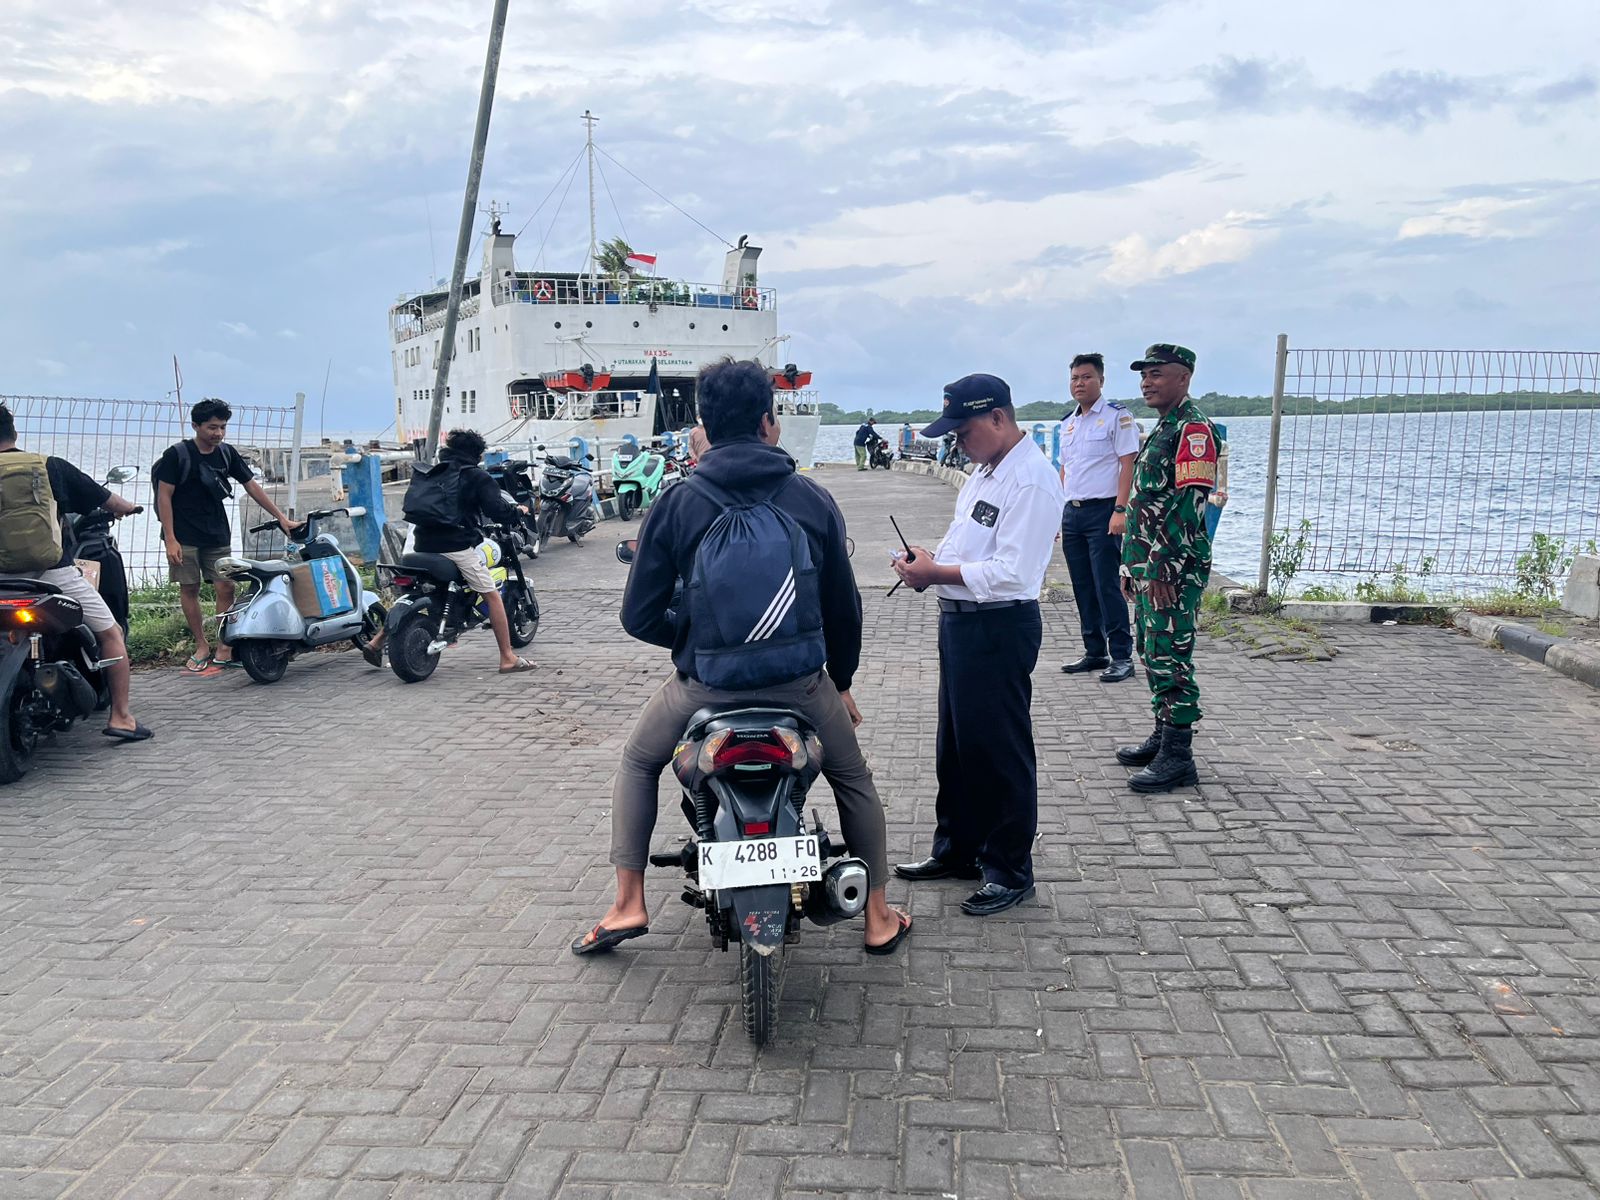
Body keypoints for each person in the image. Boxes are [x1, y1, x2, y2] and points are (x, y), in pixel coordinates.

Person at [574, 358, 910, 957]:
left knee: (639, 762)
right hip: (801, 686)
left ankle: (628, 902)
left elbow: (638, 615)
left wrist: (697, 642)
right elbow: (844, 610)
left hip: (705, 687)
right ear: (768, 421)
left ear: (703, 425)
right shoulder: (811, 497)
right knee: (852, 778)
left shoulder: (678, 503)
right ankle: (878, 916)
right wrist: (841, 681)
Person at [891, 374, 1062, 916]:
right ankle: (958, 849)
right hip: (961, 623)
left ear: (998, 418)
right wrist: (928, 561)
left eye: (963, 431)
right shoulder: (984, 472)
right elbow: (962, 543)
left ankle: (1009, 869)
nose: (958, 442)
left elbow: (1013, 573)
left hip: (999, 625)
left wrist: (937, 573)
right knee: (958, 746)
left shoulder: (1031, 480)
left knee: (998, 749)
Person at [0, 403, 150, 741]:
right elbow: (109, 501)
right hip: (51, 574)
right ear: (15, 432)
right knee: (110, 634)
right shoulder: (48, 466)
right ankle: (122, 717)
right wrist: (129, 508)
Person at [1117, 345, 1218, 793]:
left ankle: (1179, 755)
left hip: (1173, 569)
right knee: (1150, 647)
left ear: (1184, 377)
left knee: (1170, 654)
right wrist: (1131, 563)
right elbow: (1144, 505)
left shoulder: (1193, 429)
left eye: (1157, 374)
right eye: (1144, 375)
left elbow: (1188, 505)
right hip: (1149, 565)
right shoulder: (1165, 427)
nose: (1147, 382)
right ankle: (1163, 734)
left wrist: (1160, 567)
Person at [365, 428, 534, 674]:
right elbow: (497, 510)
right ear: (477, 454)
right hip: (454, 546)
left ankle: (377, 641)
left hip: (421, 544)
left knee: (417, 591)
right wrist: (517, 511)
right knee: (492, 595)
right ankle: (507, 657)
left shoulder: (435, 472)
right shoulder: (477, 476)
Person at [154, 398, 296, 676]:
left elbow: (251, 485)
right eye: (212, 427)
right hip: (183, 534)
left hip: (216, 531)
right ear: (196, 426)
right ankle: (201, 646)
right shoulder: (177, 455)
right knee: (189, 588)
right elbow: (164, 496)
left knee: (226, 587)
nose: (218, 433)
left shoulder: (226, 453)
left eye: (222, 427)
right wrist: (170, 538)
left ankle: (224, 647)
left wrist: (281, 517)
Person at [1057, 352, 1140, 683]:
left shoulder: (1118, 417)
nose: (1080, 383)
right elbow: (1065, 469)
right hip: (1072, 512)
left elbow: (1127, 464)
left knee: (1107, 586)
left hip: (1104, 512)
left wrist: (1121, 509)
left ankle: (1121, 656)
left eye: (1086, 377)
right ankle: (1094, 651)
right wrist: (1057, 512)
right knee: (1082, 586)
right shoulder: (1068, 423)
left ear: (1101, 381)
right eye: (1075, 378)